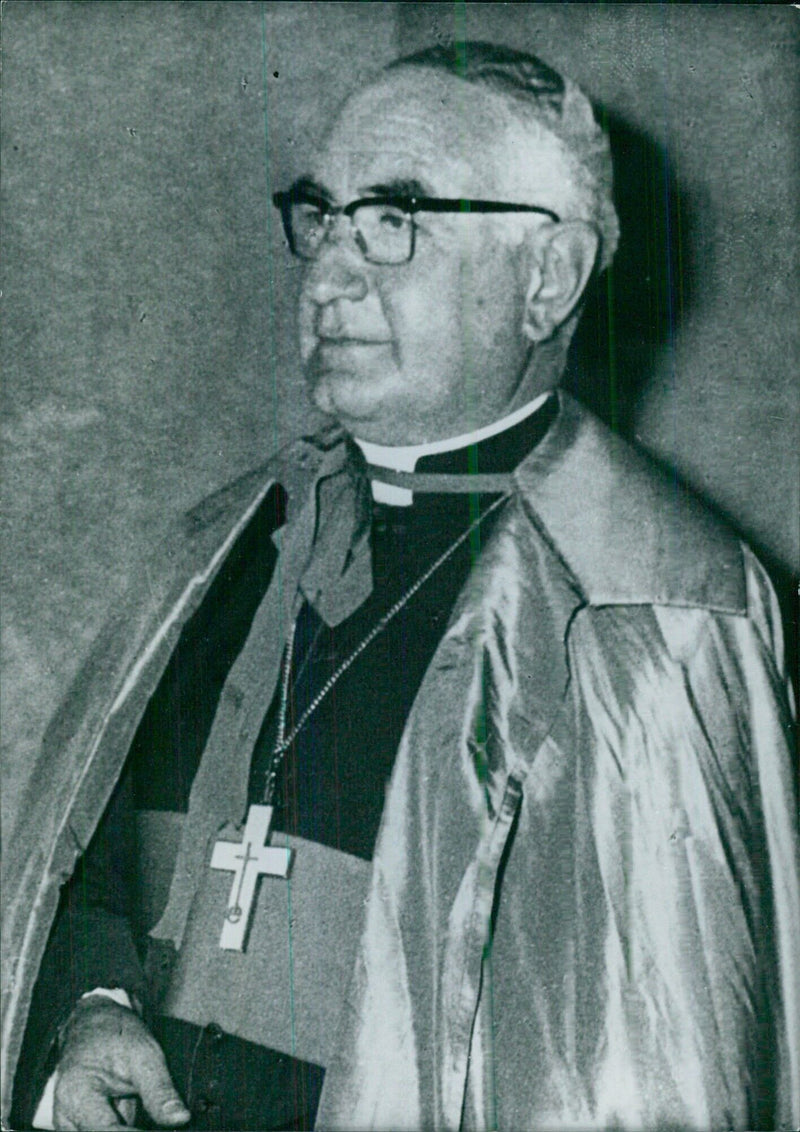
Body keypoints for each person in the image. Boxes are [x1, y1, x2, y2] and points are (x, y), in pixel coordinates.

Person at [7, 41, 799, 1132]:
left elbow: (666, 1073)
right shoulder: (232, 537)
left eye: (394, 217)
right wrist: (93, 1008)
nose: (328, 272)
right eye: (321, 218)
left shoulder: (654, 608)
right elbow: (100, 861)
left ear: (547, 278)